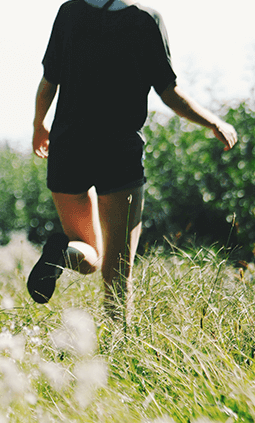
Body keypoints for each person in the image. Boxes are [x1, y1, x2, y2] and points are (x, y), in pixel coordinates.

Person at [27, 0, 238, 318]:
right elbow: (169, 92)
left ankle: (62, 254)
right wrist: (214, 122)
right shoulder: (145, 20)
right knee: (116, 274)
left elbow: (48, 82)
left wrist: (39, 125)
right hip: (118, 154)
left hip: (68, 149)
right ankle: (117, 354)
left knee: (88, 253)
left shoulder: (69, 13)